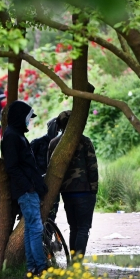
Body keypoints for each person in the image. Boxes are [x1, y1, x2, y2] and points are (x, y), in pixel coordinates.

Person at [1, 100, 48, 278]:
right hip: (26, 192)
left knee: (30, 229)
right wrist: (28, 187)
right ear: (21, 118)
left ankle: (32, 268)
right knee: (35, 229)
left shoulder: (16, 134)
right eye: (28, 118)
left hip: (29, 190)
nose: (29, 122)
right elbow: (12, 167)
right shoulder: (12, 136)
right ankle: (41, 268)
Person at [47, 110, 98, 258]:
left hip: (66, 192)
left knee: (74, 227)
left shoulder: (54, 143)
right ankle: (77, 262)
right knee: (83, 228)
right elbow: (92, 167)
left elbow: (50, 168)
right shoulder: (85, 141)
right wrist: (94, 189)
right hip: (85, 192)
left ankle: (73, 260)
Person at [31, 118, 60, 220]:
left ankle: (48, 235)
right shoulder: (37, 143)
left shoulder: (60, 145)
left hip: (52, 186)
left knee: (51, 217)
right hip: (37, 186)